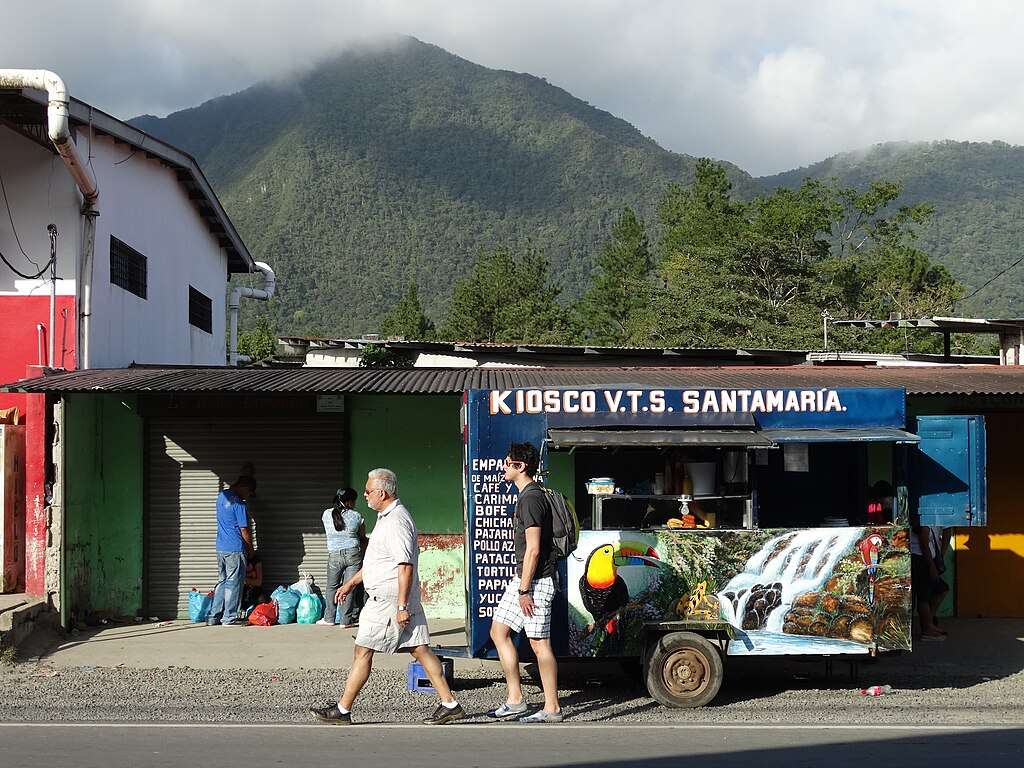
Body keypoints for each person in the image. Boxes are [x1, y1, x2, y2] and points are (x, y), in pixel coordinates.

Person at [309, 468, 464, 726]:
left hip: (390, 602)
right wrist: (351, 583)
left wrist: (402, 606)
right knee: (421, 650)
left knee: (363, 651)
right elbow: (377, 562)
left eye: (369, 491)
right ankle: (450, 704)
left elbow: (405, 565)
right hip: (393, 600)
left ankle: (343, 710)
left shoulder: (396, 521)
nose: (366, 495)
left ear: (382, 492)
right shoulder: (385, 517)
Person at [488, 441, 563, 723]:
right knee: (499, 631)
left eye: (508, 463)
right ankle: (516, 699)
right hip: (524, 580)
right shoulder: (527, 495)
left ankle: (552, 707)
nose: (503, 467)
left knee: (539, 643)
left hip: (535, 582)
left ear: (520, 467)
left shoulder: (531, 498)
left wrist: (524, 589)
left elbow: (533, 548)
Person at [207, 474, 256, 626]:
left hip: (220, 548)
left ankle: (213, 617)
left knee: (222, 581)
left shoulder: (221, 497)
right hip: (235, 548)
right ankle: (229, 618)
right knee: (234, 583)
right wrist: (250, 549)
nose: (248, 497)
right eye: (249, 493)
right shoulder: (239, 504)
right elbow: (244, 530)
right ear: (244, 488)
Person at [316, 488, 367, 628]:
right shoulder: (357, 516)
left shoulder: (326, 514)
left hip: (334, 555)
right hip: (353, 554)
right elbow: (362, 538)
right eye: (354, 501)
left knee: (332, 586)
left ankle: (329, 618)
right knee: (349, 587)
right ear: (350, 501)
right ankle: (346, 621)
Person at [910, 516, 947, 641]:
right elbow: (924, 545)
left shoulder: (929, 520)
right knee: (924, 596)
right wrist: (931, 566)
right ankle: (927, 628)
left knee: (937, 590)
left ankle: (928, 623)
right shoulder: (923, 521)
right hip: (921, 560)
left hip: (924, 559)